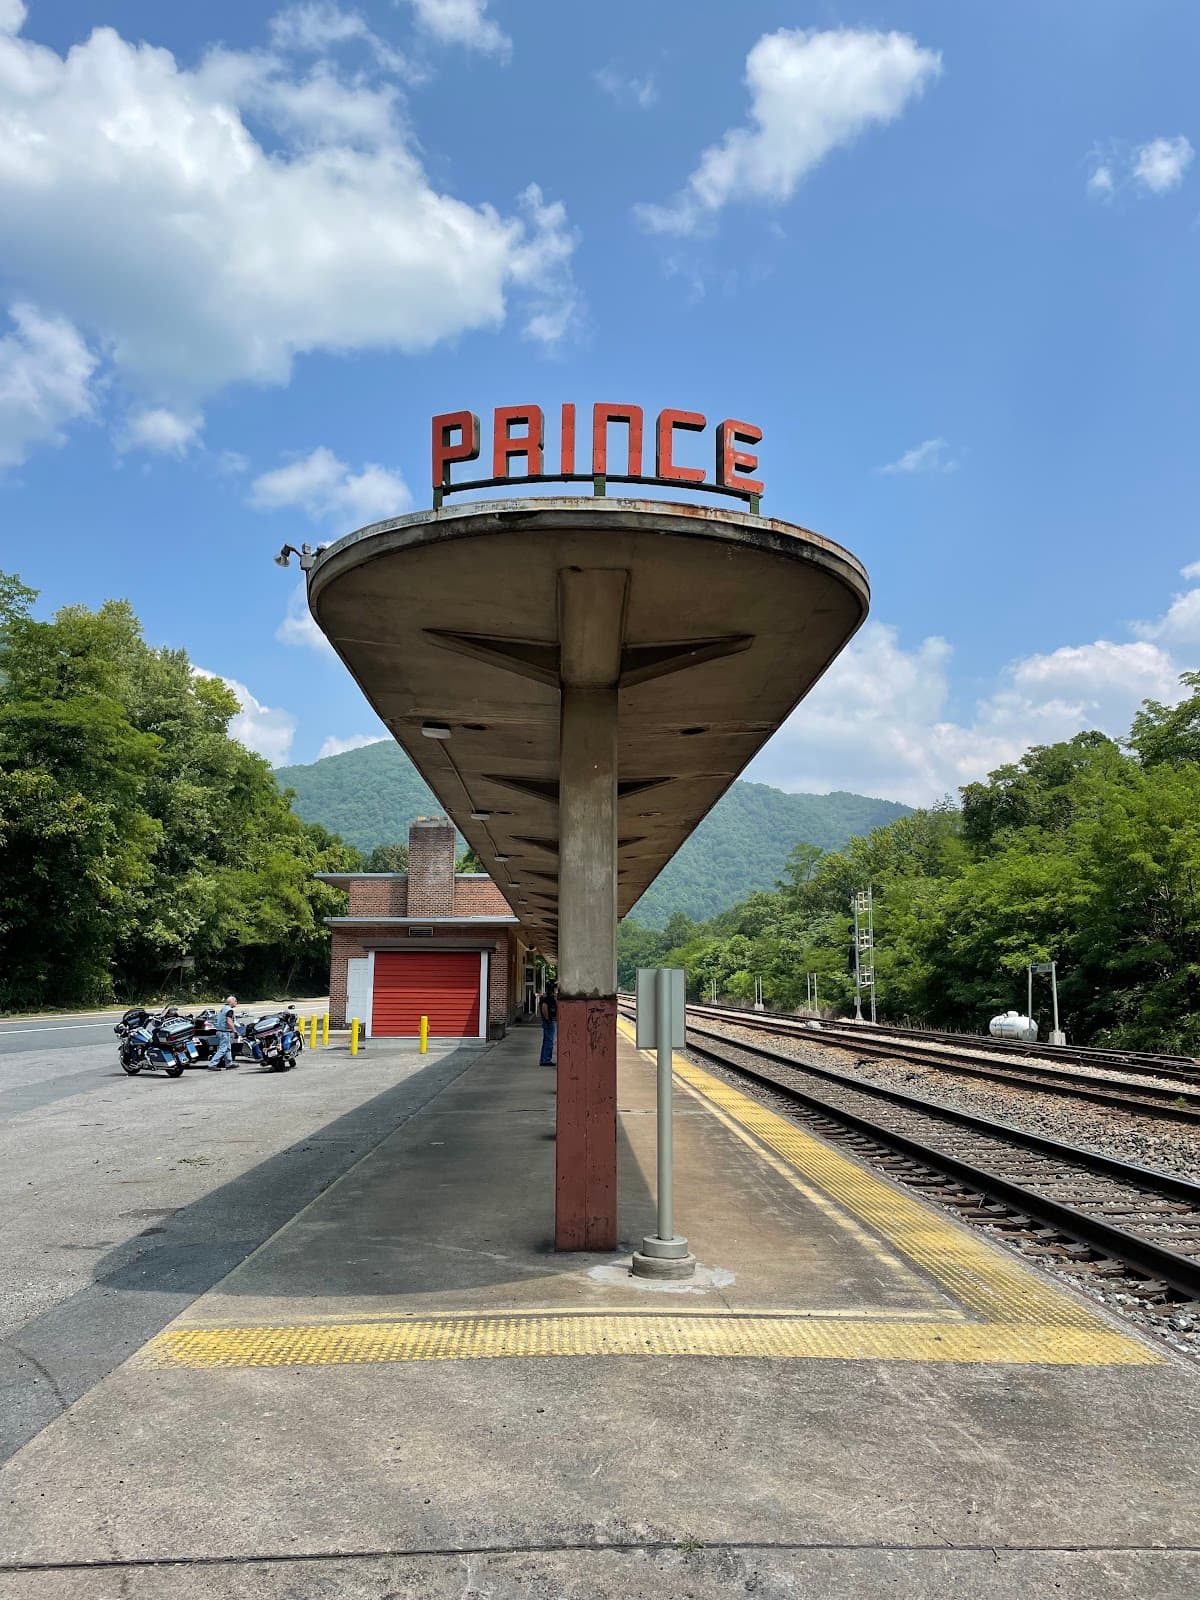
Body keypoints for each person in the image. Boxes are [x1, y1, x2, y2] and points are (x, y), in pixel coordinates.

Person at [208, 995, 239, 1071]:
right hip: (224, 1032)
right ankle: (212, 1064)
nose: (236, 1002)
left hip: (220, 1031)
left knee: (228, 1048)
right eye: (235, 1001)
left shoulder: (224, 1008)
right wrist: (234, 1031)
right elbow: (229, 1021)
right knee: (223, 1049)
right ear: (231, 1002)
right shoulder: (229, 1010)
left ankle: (229, 1063)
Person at [538, 980, 557, 1067]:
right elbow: (544, 1007)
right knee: (549, 1041)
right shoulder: (548, 997)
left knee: (547, 1040)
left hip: (549, 1020)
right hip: (549, 1021)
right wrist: (547, 1019)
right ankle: (546, 1060)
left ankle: (544, 1059)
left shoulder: (549, 996)